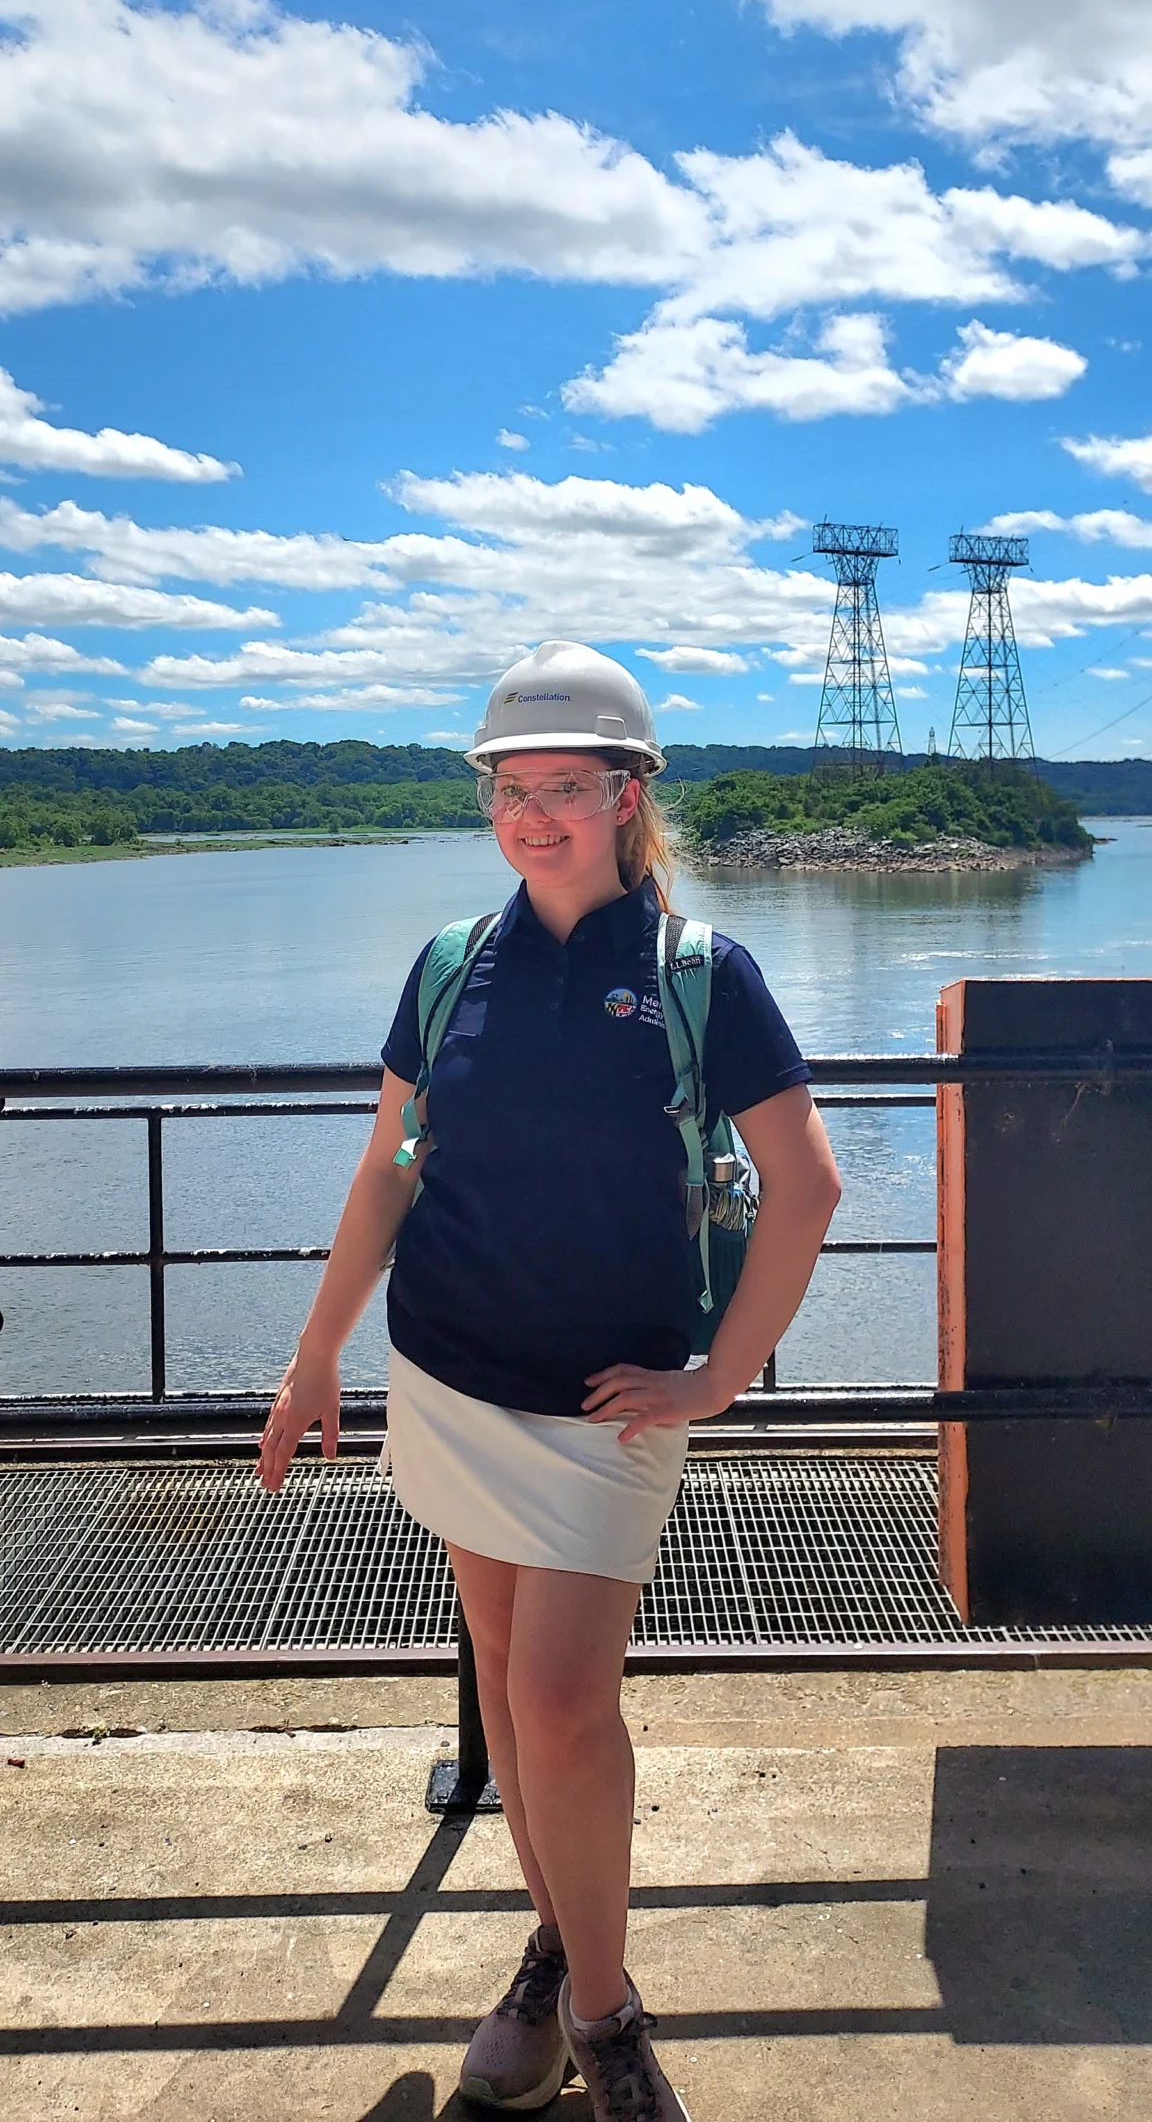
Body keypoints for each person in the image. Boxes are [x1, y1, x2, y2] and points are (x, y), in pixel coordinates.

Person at [257, 640, 841, 2120]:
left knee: (566, 1705)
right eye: (509, 790)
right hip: (448, 1372)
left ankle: (604, 2016)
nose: (532, 816)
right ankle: (559, 1945)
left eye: (565, 787)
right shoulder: (457, 963)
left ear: (630, 794)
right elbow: (392, 1166)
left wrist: (721, 1379)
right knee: (513, 1714)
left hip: (605, 1405)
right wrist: (319, 1347)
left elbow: (807, 1186)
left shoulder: (702, 975)